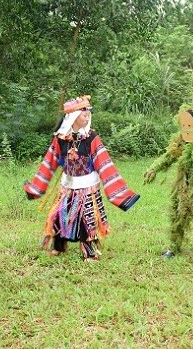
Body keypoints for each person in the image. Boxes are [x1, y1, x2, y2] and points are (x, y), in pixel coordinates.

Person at [24, 95, 140, 261]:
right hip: (67, 188)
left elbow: (105, 164)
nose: (87, 117)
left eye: (88, 115)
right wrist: (36, 188)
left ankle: (90, 252)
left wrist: (119, 194)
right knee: (59, 216)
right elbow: (49, 163)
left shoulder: (91, 138)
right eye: (83, 114)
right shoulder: (60, 139)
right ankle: (58, 246)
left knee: (88, 219)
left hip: (87, 188)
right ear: (72, 117)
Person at [144, 105, 193, 266]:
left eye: (189, 125)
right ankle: (174, 247)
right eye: (183, 125)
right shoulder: (181, 141)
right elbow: (168, 157)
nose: (186, 129)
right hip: (183, 188)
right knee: (178, 217)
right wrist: (154, 168)